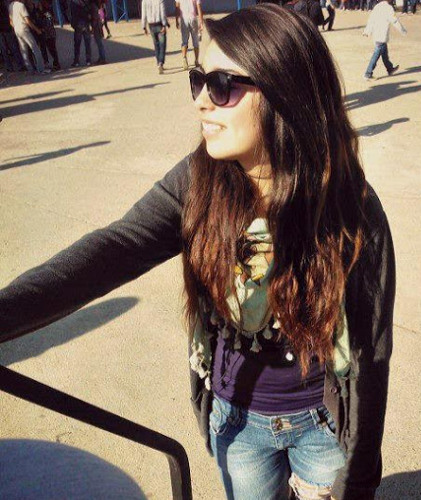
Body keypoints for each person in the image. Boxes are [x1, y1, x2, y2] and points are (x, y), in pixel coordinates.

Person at [0, 5, 395, 500]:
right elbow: (115, 248)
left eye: (222, 86)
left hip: (322, 423)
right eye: (198, 81)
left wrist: (358, 477)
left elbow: (371, 352)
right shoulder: (198, 182)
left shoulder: (349, 207)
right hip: (238, 422)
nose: (202, 102)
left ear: (284, 91)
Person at [362, 0, 407, 81]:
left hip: (376, 33)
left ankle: (390, 69)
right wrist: (402, 30)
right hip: (382, 34)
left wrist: (367, 31)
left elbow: (371, 20)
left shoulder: (377, 6)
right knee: (376, 54)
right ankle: (368, 73)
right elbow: (394, 21)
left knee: (384, 53)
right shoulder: (388, 8)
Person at [8, 0, 49, 73]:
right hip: (24, 29)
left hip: (17, 30)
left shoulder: (11, 6)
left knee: (24, 50)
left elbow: (11, 21)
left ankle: (30, 69)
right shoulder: (21, 5)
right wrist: (37, 30)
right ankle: (41, 69)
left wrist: (16, 27)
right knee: (35, 48)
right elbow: (27, 21)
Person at [141, 0, 169, 74]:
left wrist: (144, 27)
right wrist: (164, 24)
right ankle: (161, 63)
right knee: (162, 45)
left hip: (151, 25)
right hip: (159, 24)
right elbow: (162, 13)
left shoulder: (144, 1)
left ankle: (158, 63)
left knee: (156, 45)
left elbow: (144, 14)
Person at [175, 0, 202, 70]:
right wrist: (201, 22)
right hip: (193, 18)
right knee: (195, 41)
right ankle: (196, 60)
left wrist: (176, 20)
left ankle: (184, 58)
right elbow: (198, 7)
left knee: (184, 41)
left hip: (184, 19)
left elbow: (177, 7)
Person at [0, 0, 25, 71]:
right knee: (12, 48)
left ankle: (11, 67)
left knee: (6, 49)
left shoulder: (5, 4)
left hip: (6, 29)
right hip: (6, 28)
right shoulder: (5, 4)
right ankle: (19, 66)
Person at [69, 0, 92, 67]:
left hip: (78, 25)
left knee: (77, 44)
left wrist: (73, 24)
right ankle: (88, 60)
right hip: (86, 24)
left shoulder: (73, 3)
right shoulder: (86, 2)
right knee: (87, 43)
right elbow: (89, 12)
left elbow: (73, 14)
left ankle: (76, 61)